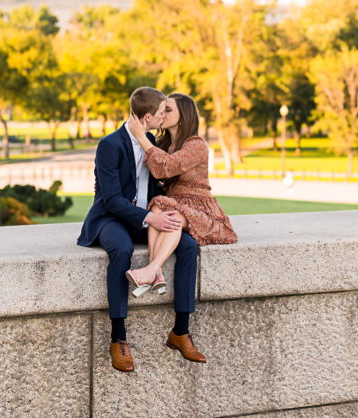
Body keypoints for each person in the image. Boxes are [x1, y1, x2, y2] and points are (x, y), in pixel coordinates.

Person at [76, 87, 200, 373]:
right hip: (113, 218)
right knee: (121, 250)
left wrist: (162, 214)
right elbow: (112, 199)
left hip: (147, 218)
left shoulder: (152, 143)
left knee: (189, 247)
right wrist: (149, 219)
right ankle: (118, 337)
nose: (163, 117)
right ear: (147, 117)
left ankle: (181, 331)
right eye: (160, 113)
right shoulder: (110, 144)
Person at [125, 93, 237, 363]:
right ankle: (158, 275)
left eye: (168, 109)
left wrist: (140, 135)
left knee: (169, 211)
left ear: (183, 113)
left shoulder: (196, 144)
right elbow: (152, 180)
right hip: (171, 207)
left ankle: (151, 271)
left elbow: (166, 168)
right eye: (162, 109)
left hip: (199, 210)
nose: (162, 113)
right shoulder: (162, 142)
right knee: (162, 208)